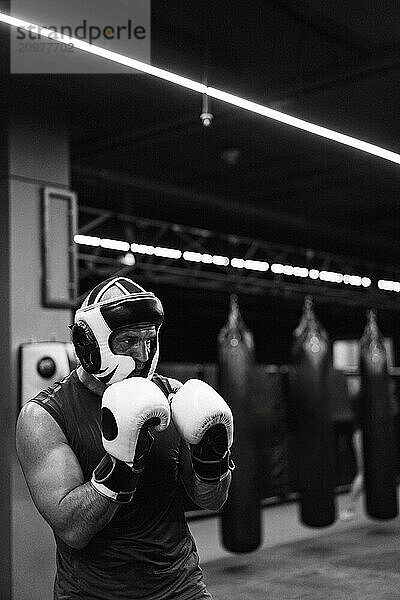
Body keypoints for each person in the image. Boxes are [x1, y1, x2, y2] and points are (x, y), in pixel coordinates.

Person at [16, 276, 234, 600]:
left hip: (181, 587)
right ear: (91, 346)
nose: (143, 354)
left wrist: (212, 458)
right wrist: (121, 462)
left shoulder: (172, 398)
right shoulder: (44, 417)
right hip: (93, 593)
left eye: (149, 339)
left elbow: (211, 499)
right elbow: (73, 529)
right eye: (128, 341)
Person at [340, 376, 397, 521]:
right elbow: (353, 387)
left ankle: (380, 503)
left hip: (378, 434)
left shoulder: (385, 398)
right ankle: (349, 507)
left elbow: (394, 409)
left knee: (382, 470)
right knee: (364, 472)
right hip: (362, 434)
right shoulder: (360, 392)